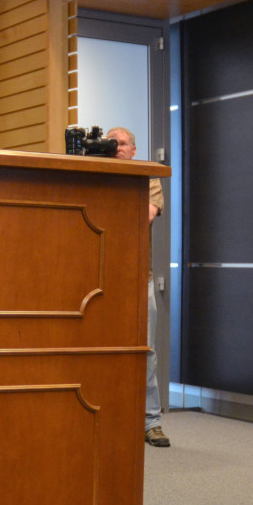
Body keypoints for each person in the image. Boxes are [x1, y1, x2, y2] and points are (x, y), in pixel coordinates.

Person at [106, 127, 170, 447]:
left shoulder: (149, 179)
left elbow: (143, 216)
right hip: (100, 281)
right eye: (112, 143)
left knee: (145, 353)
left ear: (133, 150)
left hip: (137, 280)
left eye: (123, 144)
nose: (117, 148)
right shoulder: (95, 179)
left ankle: (151, 422)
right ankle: (109, 419)